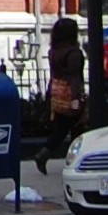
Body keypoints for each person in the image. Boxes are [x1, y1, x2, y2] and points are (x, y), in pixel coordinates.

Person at [39, 16, 85, 173]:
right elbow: (74, 76)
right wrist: (76, 98)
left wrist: (49, 97)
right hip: (70, 94)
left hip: (57, 94)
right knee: (77, 127)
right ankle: (75, 159)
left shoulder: (53, 52)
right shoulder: (74, 53)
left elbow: (54, 75)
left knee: (62, 127)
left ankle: (45, 153)